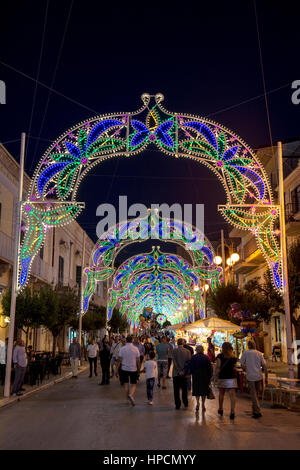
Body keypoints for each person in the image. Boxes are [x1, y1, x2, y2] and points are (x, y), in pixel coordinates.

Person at [241, 340, 268, 419]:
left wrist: (246, 370)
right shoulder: (259, 353)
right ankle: (255, 410)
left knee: (253, 394)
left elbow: (242, 364)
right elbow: (264, 365)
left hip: (250, 376)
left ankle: (257, 411)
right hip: (258, 376)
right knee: (257, 393)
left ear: (248, 346)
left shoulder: (245, 353)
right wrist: (266, 376)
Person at [214, 342, 237, 420]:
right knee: (232, 395)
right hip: (231, 377)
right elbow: (234, 368)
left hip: (222, 377)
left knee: (221, 394)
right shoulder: (233, 357)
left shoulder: (219, 356)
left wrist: (214, 376)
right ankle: (232, 411)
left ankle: (220, 408)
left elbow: (218, 367)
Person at [115, 336, 140, 406]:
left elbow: (119, 360)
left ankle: (127, 399)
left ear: (126, 340)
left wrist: (116, 370)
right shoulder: (135, 349)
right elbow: (138, 361)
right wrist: (139, 369)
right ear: (132, 340)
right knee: (134, 384)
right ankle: (131, 395)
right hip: (133, 369)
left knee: (126, 384)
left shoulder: (122, 349)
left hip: (124, 368)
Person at [189, 345, 213, 413]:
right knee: (203, 391)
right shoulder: (206, 357)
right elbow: (210, 368)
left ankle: (197, 403)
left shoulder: (193, 357)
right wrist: (210, 376)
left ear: (196, 350)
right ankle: (203, 404)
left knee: (197, 390)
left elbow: (190, 367)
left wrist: (191, 373)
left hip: (196, 376)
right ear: (203, 350)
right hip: (205, 377)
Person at [172, 338, 191, 409]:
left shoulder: (174, 351)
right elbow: (188, 363)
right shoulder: (187, 351)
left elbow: (174, 362)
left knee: (176, 390)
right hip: (184, 374)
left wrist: (179, 370)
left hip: (176, 373)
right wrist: (183, 371)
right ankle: (185, 402)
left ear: (177, 343)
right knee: (184, 389)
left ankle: (177, 404)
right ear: (183, 344)